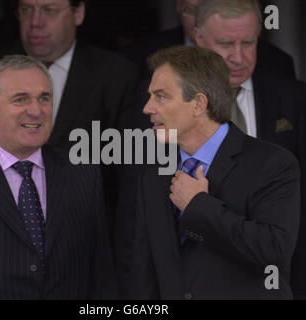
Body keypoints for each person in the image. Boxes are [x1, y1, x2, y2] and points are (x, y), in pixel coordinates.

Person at [130, 46, 300, 300]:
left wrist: (199, 206)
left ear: (198, 103)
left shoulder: (272, 163)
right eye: (150, 96)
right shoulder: (153, 173)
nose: (147, 107)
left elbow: (273, 251)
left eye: (161, 96)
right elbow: (146, 271)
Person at [0, 55, 117, 299]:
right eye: (20, 99)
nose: (36, 111)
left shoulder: (82, 172)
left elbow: (102, 276)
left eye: (44, 98)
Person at [193, 0, 306, 298]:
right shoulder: (163, 102)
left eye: (249, 42)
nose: (238, 57)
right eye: (226, 43)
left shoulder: (292, 98)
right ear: (198, 38)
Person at [122, 0, 295, 79]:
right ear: (178, 6)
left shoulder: (277, 63)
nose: (202, 19)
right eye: (193, 11)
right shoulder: (136, 60)